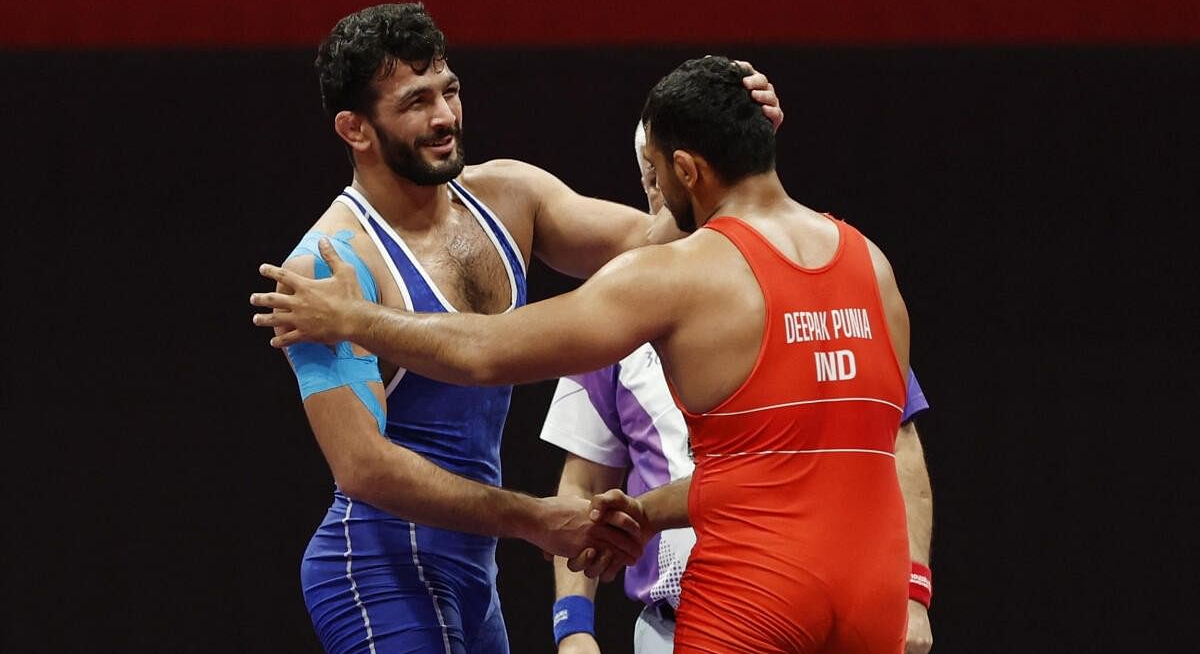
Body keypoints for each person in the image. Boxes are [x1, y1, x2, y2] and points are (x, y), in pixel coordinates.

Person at [252, 54, 913, 652]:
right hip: (870, 585)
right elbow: (363, 467)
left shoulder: (519, 205)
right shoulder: (870, 265)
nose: (445, 114)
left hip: (756, 586)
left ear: (685, 170)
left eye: (449, 91)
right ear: (355, 128)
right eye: (416, 101)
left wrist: (353, 316)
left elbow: (487, 353)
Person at [542, 123, 935, 654]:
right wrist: (574, 628)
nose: (658, 200)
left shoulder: (827, 284)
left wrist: (912, 590)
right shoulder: (615, 309)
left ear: (693, 173)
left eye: (665, 179)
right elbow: (584, 483)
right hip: (678, 624)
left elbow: (895, 443)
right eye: (647, 180)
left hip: (824, 613)